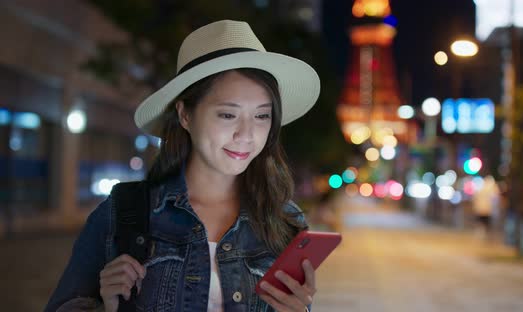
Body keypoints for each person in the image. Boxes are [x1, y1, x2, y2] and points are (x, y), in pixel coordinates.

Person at [45, 20, 321, 312]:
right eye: (228, 115)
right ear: (185, 115)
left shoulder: (284, 221)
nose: (246, 135)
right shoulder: (124, 214)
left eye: (262, 116)